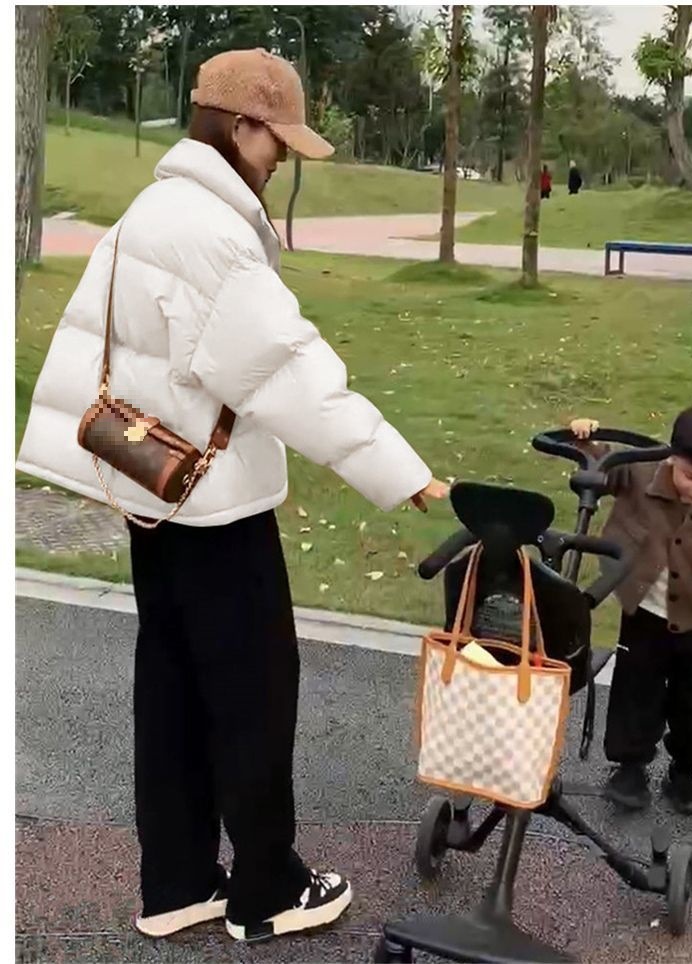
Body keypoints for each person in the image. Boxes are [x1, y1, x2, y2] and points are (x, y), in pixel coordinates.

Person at [17, 49, 449, 944]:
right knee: (254, 692)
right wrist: (399, 470)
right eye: (277, 138)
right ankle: (267, 889)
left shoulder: (154, 208)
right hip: (214, 506)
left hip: (155, 492)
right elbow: (288, 371)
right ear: (239, 125)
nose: (282, 156)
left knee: (172, 686)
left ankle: (177, 881)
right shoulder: (211, 232)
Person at [569, 408, 692, 816]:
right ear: (672, 457)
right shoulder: (641, 472)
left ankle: (685, 771)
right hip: (644, 610)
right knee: (635, 689)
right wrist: (587, 440)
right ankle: (630, 766)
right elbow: (603, 467)